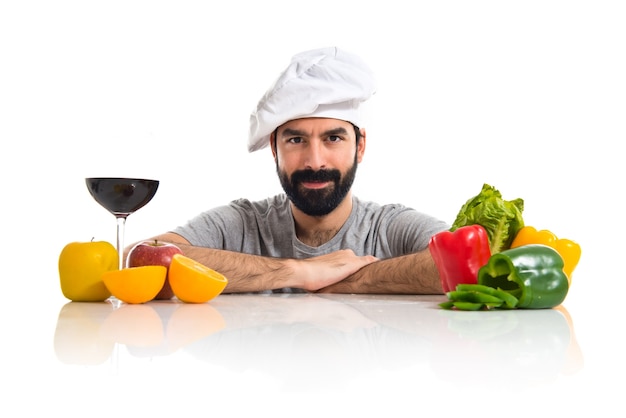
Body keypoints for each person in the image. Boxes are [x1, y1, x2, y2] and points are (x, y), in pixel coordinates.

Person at [130, 47, 449, 294]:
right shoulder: (242, 224)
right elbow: (139, 257)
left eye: (333, 138)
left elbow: (472, 262)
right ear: (274, 148)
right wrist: (300, 272)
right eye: (296, 139)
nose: (315, 161)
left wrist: (356, 280)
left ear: (360, 146)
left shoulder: (389, 227)